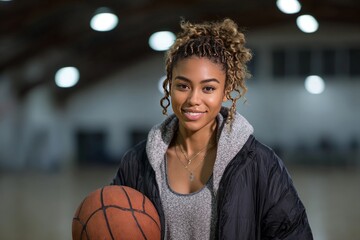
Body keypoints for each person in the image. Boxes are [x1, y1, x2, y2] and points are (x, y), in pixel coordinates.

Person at [112, 18, 313, 240]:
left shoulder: (261, 164)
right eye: (183, 86)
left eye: (208, 88)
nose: (193, 99)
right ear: (169, 86)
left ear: (226, 91)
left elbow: (293, 234)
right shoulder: (137, 163)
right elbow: (108, 224)